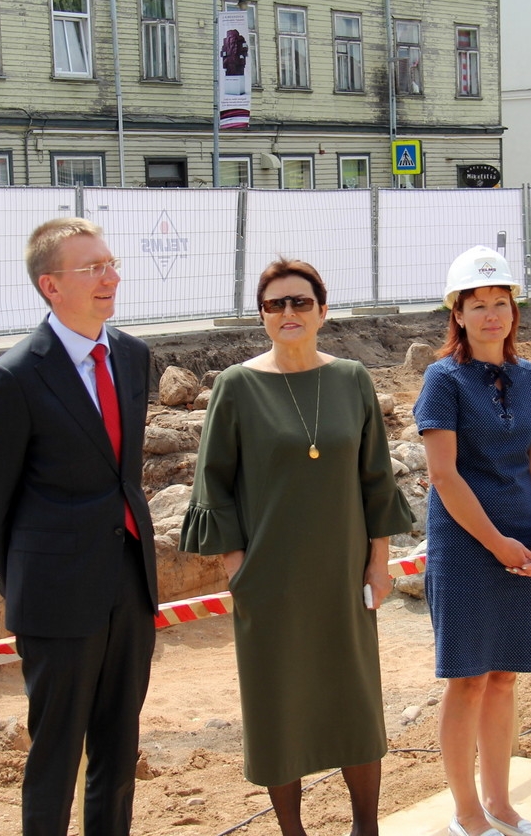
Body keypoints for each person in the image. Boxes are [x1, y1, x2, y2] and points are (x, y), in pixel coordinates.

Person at [180, 258, 412, 836]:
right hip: (271, 581)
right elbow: (215, 483)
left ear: (322, 311)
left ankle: (365, 827)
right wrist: (240, 569)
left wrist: (379, 564)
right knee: (278, 708)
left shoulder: (352, 379)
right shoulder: (236, 386)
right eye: (275, 304)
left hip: (343, 576)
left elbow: (375, 478)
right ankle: (293, 832)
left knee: (354, 700)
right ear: (261, 315)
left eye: (300, 302)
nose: (288, 313)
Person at [0, 218, 156, 836]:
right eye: (93, 268)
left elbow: (120, 471)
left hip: (128, 580)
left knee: (118, 748)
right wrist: (28, 577)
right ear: (51, 285)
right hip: (56, 594)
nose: (112, 278)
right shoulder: (13, 377)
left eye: (111, 263)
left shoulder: (130, 357)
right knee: (55, 756)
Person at [414, 246, 531, 836]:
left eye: (501, 303)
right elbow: (444, 475)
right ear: (458, 312)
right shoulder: (442, 378)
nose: (492, 314)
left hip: (521, 545)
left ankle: (502, 805)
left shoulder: (528, 377)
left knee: (505, 675)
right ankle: (467, 812)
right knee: (468, 677)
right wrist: (498, 543)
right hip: (468, 546)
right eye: (479, 305)